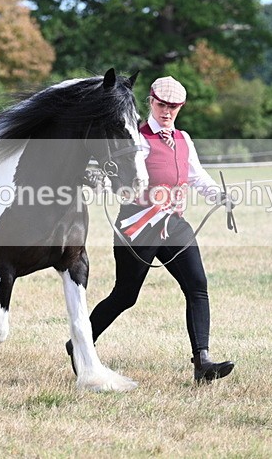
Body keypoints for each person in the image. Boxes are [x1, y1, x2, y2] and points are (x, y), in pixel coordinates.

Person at [67, 76, 235, 383]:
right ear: (151, 102)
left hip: (174, 226)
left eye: (173, 107)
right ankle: (79, 344)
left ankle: (202, 361)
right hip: (137, 228)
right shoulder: (136, 138)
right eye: (161, 105)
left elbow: (197, 177)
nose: (167, 112)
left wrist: (220, 196)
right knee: (125, 296)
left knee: (197, 287)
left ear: (181, 107)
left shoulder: (184, 139)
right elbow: (113, 173)